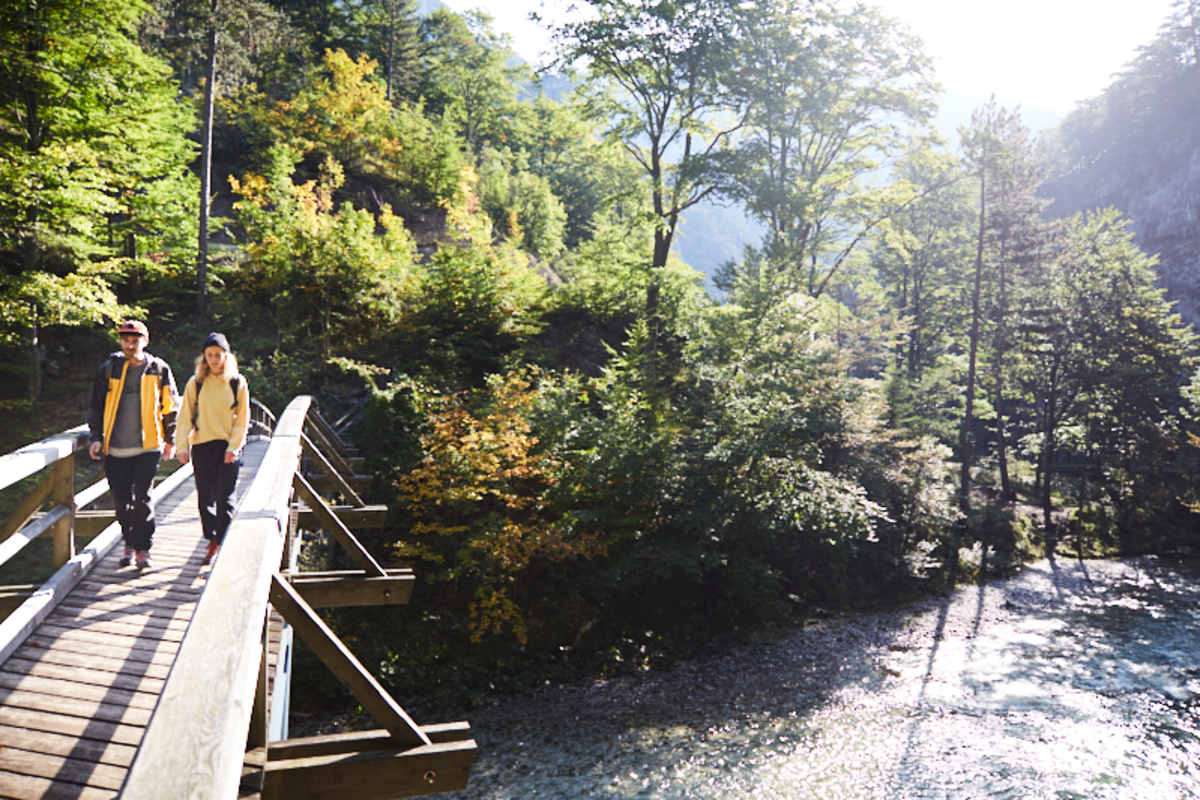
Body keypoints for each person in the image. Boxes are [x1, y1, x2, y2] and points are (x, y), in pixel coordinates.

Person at [87, 319, 178, 570]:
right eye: (125, 340)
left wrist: (170, 439)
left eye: (135, 340)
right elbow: (96, 406)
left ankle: (143, 549)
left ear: (145, 342)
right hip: (115, 448)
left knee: (143, 499)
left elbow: (170, 406)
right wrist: (95, 438)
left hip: (148, 446)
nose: (130, 345)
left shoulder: (158, 369)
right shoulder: (109, 369)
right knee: (121, 503)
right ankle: (129, 543)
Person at [174, 332, 250, 565]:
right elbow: (184, 417)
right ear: (204, 357)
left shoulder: (237, 382)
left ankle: (223, 541)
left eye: (218, 355)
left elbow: (243, 420)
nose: (214, 360)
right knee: (205, 498)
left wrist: (234, 447)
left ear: (226, 356)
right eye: (210, 355)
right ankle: (212, 539)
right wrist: (181, 446)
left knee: (225, 498)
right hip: (202, 446)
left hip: (227, 446)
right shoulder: (195, 383)